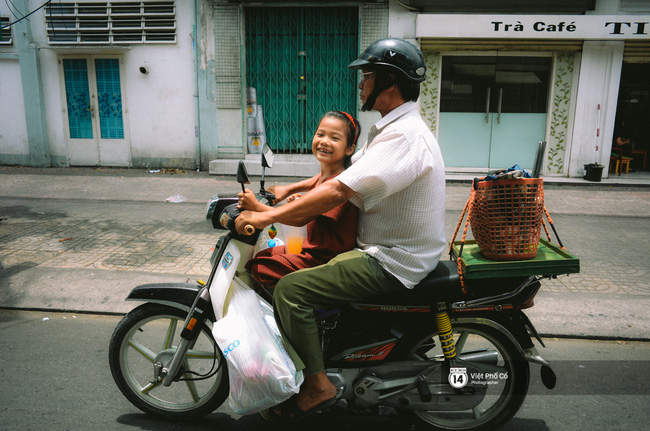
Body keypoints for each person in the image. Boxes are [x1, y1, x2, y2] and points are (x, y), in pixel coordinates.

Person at [235, 38, 446, 419]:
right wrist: (289, 188)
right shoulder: (393, 129)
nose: (360, 84)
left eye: (367, 76)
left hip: (391, 260)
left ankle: (318, 386)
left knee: (291, 290)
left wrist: (265, 217)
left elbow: (338, 188)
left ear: (390, 82)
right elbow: (349, 170)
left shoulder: (404, 136)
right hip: (386, 250)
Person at [239, 111, 360, 290]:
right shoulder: (328, 176)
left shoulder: (338, 186)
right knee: (265, 254)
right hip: (312, 248)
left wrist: (256, 207)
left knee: (260, 267)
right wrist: (288, 189)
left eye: (335, 138)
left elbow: (299, 219)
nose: (324, 141)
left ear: (349, 148)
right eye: (320, 134)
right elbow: (316, 182)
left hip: (323, 259)